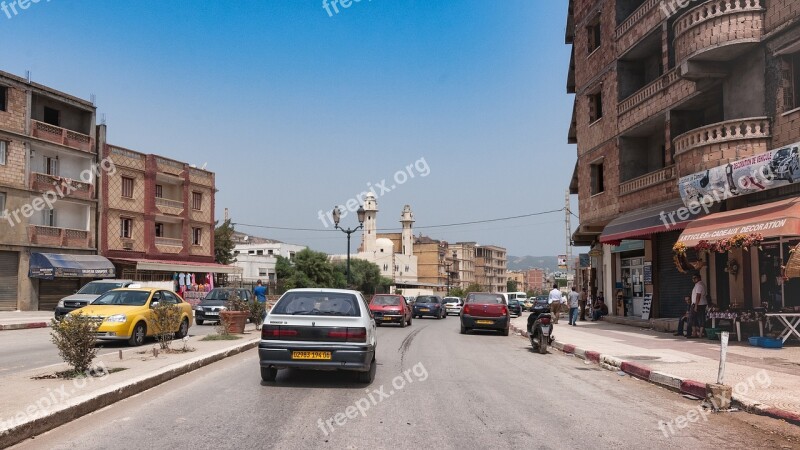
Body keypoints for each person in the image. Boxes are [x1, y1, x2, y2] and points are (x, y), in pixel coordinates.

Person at [687, 273, 708, 338]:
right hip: (699, 304)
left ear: (699, 278)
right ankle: (695, 333)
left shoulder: (699, 285)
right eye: (693, 278)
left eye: (695, 278)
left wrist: (696, 305)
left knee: (695, 318)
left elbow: (698, 296)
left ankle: (699, 334)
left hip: (698, 304)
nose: (693, 279)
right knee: (694, 318)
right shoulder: (698, 285)